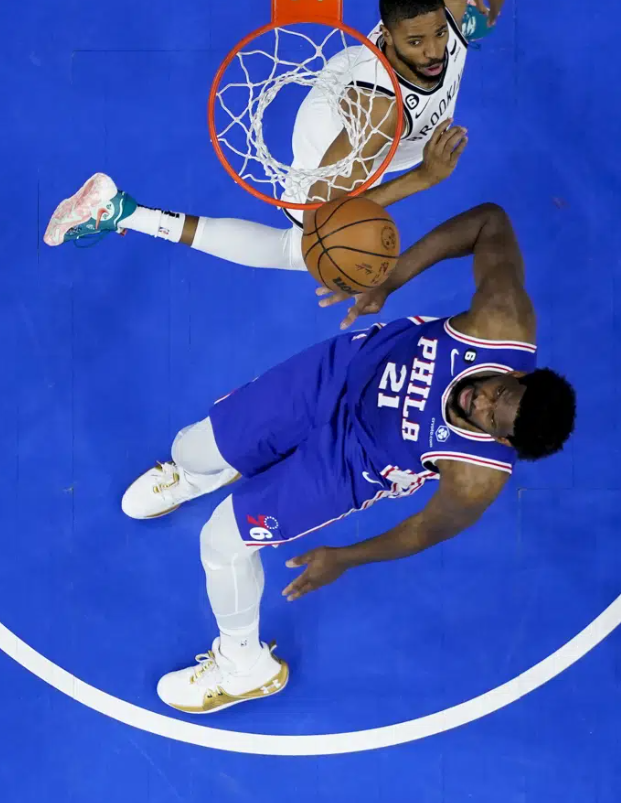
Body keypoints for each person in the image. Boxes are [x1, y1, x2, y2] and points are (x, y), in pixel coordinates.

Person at [120, 163, 576, 714]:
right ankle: (201, 472)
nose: (479, 402)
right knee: (191, 448)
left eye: (491, 418)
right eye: (497, 392)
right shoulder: (502, 323)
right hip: (339, 372)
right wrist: (394, 275)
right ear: (519, 373)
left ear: (501, 442)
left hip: (349, 465)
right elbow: (489, 222)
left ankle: (244, 666)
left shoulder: (477, 477)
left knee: (221, 540)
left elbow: (422, 531)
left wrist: (345, 557)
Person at [43, 0, 493, 272]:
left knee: (303, 251)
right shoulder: (376, 118)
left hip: (355, 98)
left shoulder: (452, 8)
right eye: (416, 42)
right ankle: (120, 211)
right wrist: (424, 178)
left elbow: (477, 1)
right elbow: (322, 214)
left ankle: (122, 212)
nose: (434, 52)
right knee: (305, 251)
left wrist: (482, 16)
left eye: (439, 34)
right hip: (328, 153)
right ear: (389, 39)